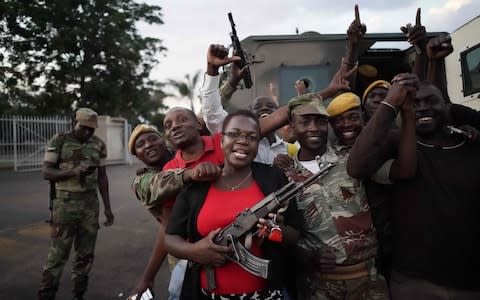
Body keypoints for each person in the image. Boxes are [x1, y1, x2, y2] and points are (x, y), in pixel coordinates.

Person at [347, 76, 480, 299]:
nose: (423, 108)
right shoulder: (398, 145)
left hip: (470, 282)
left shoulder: (470, 146)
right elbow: (356, 166)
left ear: (447, 105)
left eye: (431, 101)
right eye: (414, 103)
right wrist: (391, 103)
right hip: (415, 282)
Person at [165, 110, 301, 300]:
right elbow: (170, 238)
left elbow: (295, 234)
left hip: (267, 293)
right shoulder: (198, 185)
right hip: (208, 294)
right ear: (221, 141)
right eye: (234, 134)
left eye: (252, 137)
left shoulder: (274, 179)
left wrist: (277, 231)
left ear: (257, 145)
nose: (243, 140)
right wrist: (195, 252)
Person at [284, 92, 388, 300]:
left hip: (369, 281)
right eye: (305, 122)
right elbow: (285, 230)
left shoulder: (352, 157)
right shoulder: (283, 177)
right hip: (320, 287)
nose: (314, 128)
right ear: (292, 127)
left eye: (320, 121)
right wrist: (307, 255)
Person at [37, 107, 114, 300]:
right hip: (65, 207)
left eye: (91, 128)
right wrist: (73, 172)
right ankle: (46, 295)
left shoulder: (98, 145)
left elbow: (102, 178)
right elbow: (47, 172)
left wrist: (108, 208)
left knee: (85, 256)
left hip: (90, 207)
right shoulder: (60, 140)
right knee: (56, 257)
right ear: (74, 123)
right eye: (84, 127)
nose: (88, 132)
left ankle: (79, 294)